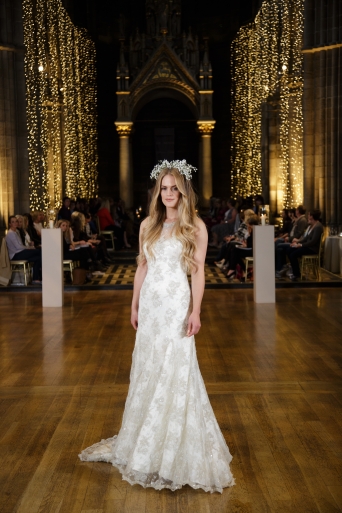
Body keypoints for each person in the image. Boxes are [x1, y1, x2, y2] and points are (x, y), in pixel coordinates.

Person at [79, 160, 235, 493]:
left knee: (176, 367)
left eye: (174, 188)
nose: (168, 194)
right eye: (163, 188)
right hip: (151, 306)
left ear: (183, 191)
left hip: (177, 304)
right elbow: (141, 267)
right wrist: (134, 303)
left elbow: (197, 273)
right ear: (157, 191)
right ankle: (145, 440)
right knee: (149, 367)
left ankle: (174, 447)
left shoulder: (195, 227)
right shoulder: (148, 224)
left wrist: (196, 311)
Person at [286, 209, 323, 281]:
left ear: (312, 216)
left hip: (312, 249)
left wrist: (301, 245)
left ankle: (296, 274)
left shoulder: (318, 226)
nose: (308, 216)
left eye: (309, 215)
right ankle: (294, 271)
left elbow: (313, 241)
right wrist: (297, 243)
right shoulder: (312, 225)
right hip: (308, 246)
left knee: (293, 254)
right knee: (289, 250)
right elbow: (306, 238)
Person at [5, 216, 42, 283]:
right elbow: (19, 247)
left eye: (16, 221)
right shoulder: (11, 233)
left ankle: (35, 278)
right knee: (39, 251)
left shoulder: (16, 232)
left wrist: (29, 248)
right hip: (15, 255)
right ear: (10, 224)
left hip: (20, 252)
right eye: (13, 222)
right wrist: (29, 248)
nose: (15, 223)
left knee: (38, 258)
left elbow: (20, 245)